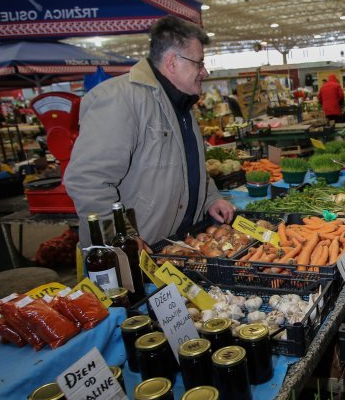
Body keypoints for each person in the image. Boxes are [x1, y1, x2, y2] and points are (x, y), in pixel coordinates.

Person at [64, 15, 235, 248]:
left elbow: (189, 166)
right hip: (137, 254)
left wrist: (211, 199)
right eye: (199, 63)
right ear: (173, 62)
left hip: (176, 245)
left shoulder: (181, 103)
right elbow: (87, 180)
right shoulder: (120, 98)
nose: (205, 72)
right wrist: (122, 238)